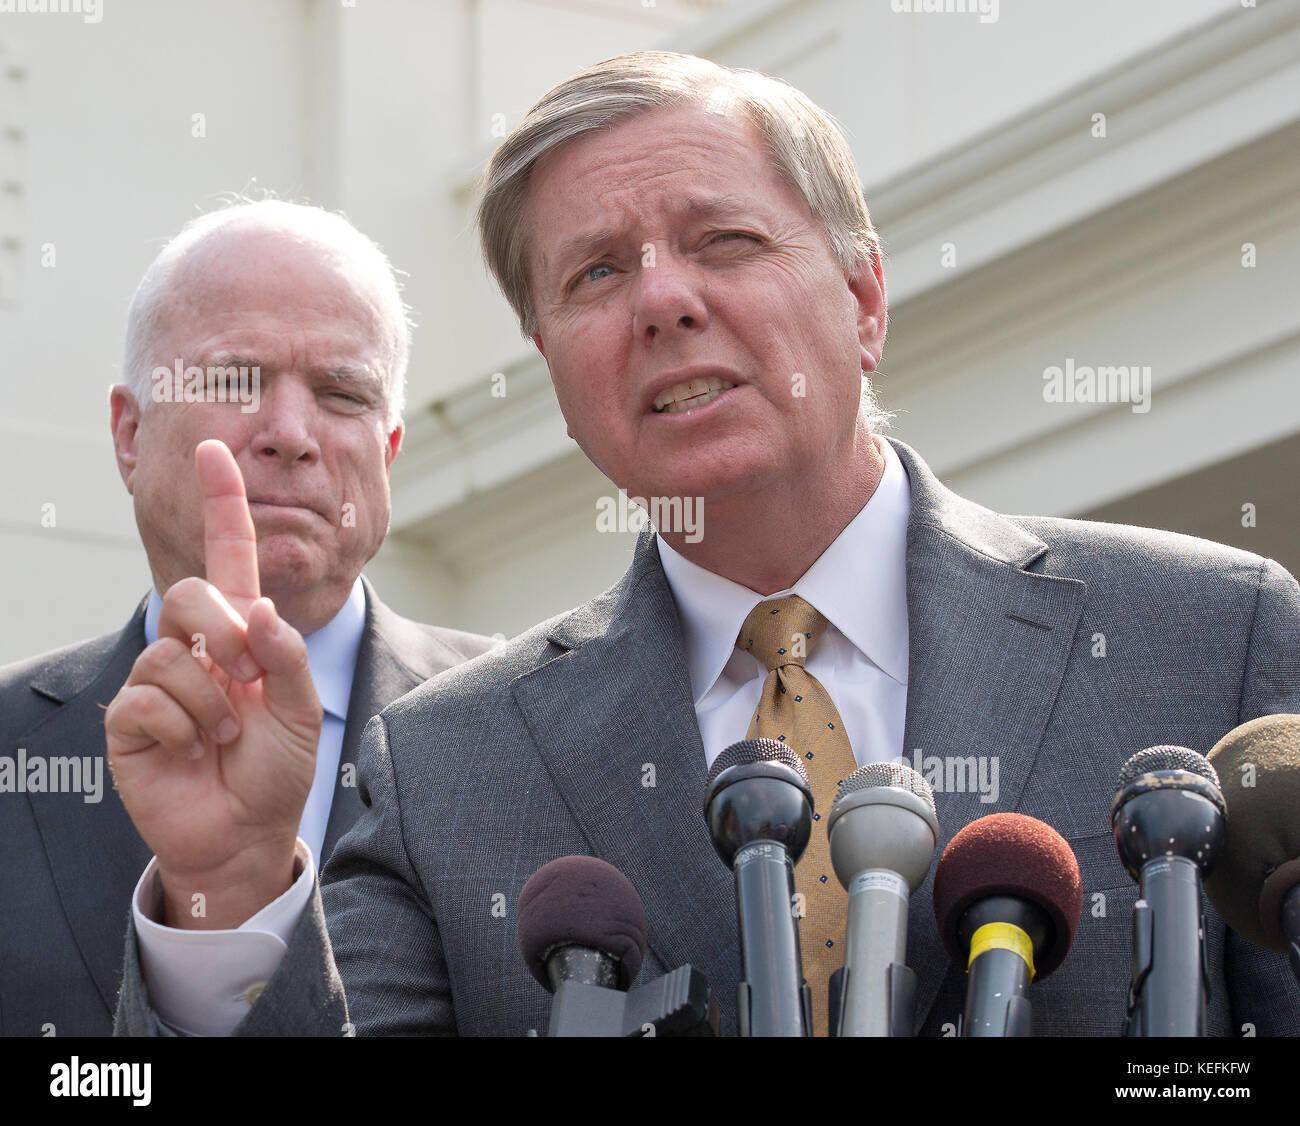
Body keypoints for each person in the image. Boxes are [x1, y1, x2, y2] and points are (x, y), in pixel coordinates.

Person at [113, 55, 1299, 1037]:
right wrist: (235, 885)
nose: (662, 301)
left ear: (864, 299)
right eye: (596, 272)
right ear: (558, 378)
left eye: (723, 241)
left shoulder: (1208, 638)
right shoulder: (440, 768)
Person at [0, 200, 493, 1036]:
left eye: (342, 394)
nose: (292, 433)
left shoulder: (532, 731)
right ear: (129, 433)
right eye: (233, 382)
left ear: (390, 451)